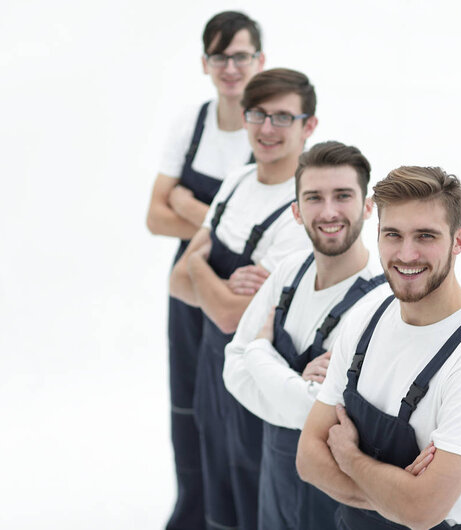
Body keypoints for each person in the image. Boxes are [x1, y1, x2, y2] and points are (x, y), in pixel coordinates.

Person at [297, 166, 461, 530]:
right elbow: (309, 459)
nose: (407, 253)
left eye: (426, 236)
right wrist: (399, 493)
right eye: (393, 235)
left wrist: (350, 458)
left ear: (458, 241)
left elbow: (422, 512)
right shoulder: (367, 316)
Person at [170, 68, 317, 530]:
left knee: (260, 501)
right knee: (216, 490)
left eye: (282, 117)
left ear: (308, 125)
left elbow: (234, 316)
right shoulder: (236, 181)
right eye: (257, 114)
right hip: (214, 374)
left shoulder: (306, 208)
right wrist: (199, 268)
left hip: (260, 382)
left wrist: (202, 263)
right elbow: (177, 282)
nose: (267, 129)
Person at [222, 141, 390, 529]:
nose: (328, 211)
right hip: (275, 484)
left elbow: (322, 415)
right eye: (314, 198)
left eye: (343, 196)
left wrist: (261, 354)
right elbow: (233, 368)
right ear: (297, 212)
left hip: (335, 499)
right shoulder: (288, 272)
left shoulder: (381, 303)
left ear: (368, 207)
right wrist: (298, 390)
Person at [145, 11, 264, 529]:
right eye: (220, 56)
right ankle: (192, 513)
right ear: (204, 63)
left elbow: (263, 226)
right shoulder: (190, 124)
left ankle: (234, 517)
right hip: (186, 282)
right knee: (187, 406)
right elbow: (153, 216)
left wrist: (191, 206)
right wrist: (222, 219)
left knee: (235, 408)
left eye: (240, 56)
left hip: (243, 287)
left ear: (259, 61)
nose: (230, 67)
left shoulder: (267, 132)